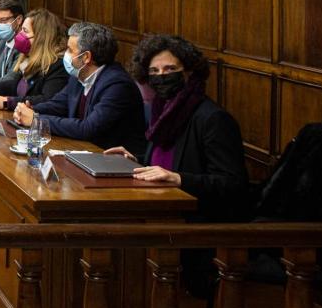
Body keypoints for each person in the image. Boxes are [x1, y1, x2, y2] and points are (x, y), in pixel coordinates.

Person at [103, 34, 249, 222]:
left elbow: (233, 184)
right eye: (154, 71)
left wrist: (179, 179)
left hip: (195, 222)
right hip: (157, 208)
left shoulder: (213, 118)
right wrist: (136, 161)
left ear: (189, 71)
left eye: (170, 69)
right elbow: (165, 162)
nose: (161, 76)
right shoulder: (162, 110)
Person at [12, 21, 146, 156]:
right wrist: (30, 110)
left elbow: (88, 128)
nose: (65, 54)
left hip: (116, 162)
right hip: (86, 153)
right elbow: (59, 104)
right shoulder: (79, 75)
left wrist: (37, 121)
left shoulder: (117, 85)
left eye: (70, 50)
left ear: (86, 57)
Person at [0, 8, 69, 110]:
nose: (20, 34)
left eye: (25, 31)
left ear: (41, 37)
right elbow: (13, 84)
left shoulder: (58, 65)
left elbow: (47, 100)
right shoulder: (27, 57)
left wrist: (7, 102)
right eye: (21, 29)